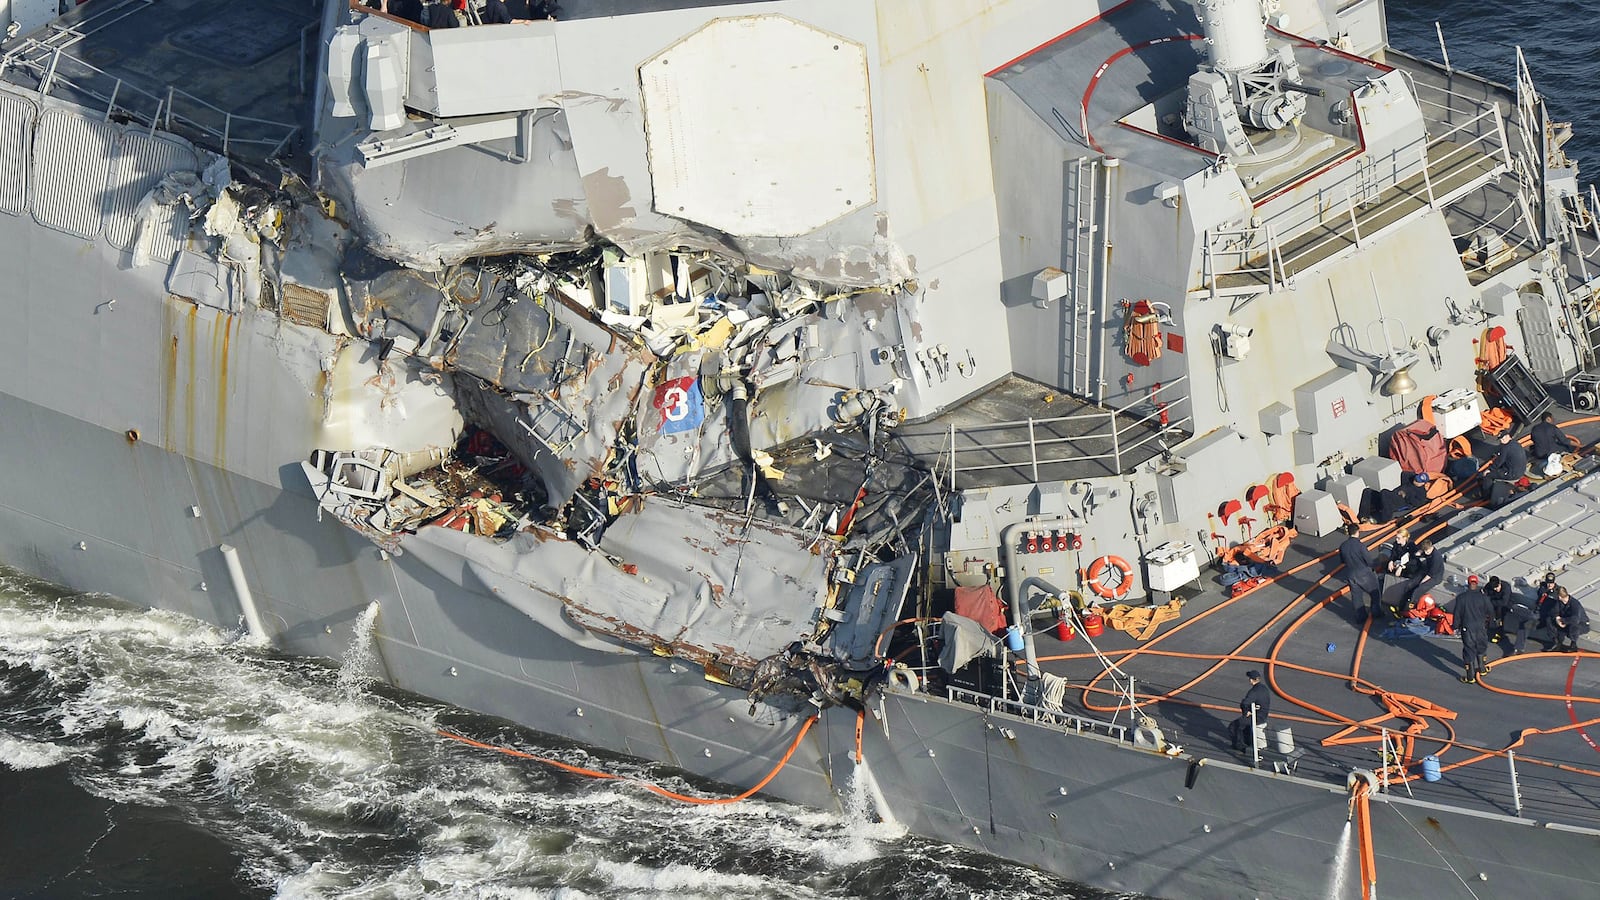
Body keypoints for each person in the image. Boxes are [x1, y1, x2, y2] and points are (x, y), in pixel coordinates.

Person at [1451, 577, 1495, 682]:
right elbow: (1491, 611)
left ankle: (1470, 677)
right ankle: (1482, 669)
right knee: (1481, 646)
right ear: (1477, 584)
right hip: (1481, 627)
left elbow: (1457, 614)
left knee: (1469, 649)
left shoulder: (1461, 598)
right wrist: (1490, 624)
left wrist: (1455, 626)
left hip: (1467, 627)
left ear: (1468, 584)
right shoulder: (1483, 597)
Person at [1339, 524, 1383, 624]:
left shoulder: (1343, 546)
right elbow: (1369, 561)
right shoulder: (1360, 546)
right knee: (1375, 593)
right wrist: (1376, 566)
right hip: (1365, 574)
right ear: (1357, 532)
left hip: (1351, 575)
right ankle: (1376, 612)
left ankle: (1360, 617)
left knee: (1357, 597)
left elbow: (1342, 561)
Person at [1229, 670, 1272, 753]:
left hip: (1256, 717)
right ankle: (1248, 741)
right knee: (1245, 726)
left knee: (1234, 726)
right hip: (1263, 715)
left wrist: (1246, 712)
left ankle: (1240, 746)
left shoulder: (1253, 692)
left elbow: (1245, 703)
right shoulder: (1264, 688)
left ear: (1251, 680)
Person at [1403, 538, 1444, 612]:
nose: (1426, 553)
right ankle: (1404, 603)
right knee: (1410, 585)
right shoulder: (1428, 552)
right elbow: (1419, 555)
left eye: (1427, 551)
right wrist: (1419, 553)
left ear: (1431, 547)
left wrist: (1422, 581)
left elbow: (1431, 574)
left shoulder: (1436, 558)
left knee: (1418, 590)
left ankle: (1411, 607)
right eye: (1424, 551)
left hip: (1435, 577)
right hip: (1427, 571)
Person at [1500, 583, 1539, 655]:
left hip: (1539, 614)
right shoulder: (1543, 589)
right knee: (1522, 621)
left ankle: (1518, 648)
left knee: (1525, 624)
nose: (1549, 585)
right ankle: (1518, 648)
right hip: (1534, 611)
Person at [1550, 588, 1591, 652]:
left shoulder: (1575, 604)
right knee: (1549, 620)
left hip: (1582, 624)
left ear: (1559, 596)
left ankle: (1573, 645)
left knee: (1574, 625)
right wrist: (1557, 619)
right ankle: (1557, 642)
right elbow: (1554, 611)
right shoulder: (1559, 602)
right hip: (1565, 621)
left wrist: (1563, 621)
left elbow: (1576, 619)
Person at [1484, 575, 1510, 640]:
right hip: (1493, 604)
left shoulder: (1506, 587)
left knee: (1500, 617)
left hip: (1503, 606)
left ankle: (1499, 633)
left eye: (1497, 587)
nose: (1495, 589)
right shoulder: (1488, 586)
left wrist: (1490, 602)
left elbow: (1504, 602)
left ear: (1499, 583)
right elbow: (1484, 596)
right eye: (1494, 588)